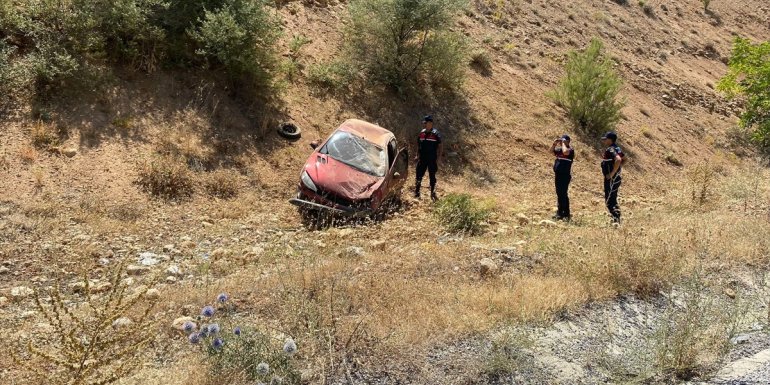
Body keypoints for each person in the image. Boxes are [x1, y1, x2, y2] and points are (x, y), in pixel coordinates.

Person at [415, 115, 443, 201]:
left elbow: (441, 146)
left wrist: (439, 158)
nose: (424, 124)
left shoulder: (436, 134)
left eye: (425, 123)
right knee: (419, 174)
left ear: (430, 123)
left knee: (432, 175)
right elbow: (419, 145)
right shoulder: (422, 133)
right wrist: (417, 155)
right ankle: (417, 192)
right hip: (422, 158)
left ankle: (432, 192)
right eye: (424, 123)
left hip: (432, 159)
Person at [600, 131, 624, 223]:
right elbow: (624, 159)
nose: (604, 141)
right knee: (612, 199)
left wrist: (612, 173)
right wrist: (618, 170)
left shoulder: (611, 149)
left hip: (611, 179)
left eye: (606, 139)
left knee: (609, 200)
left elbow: (618, 159)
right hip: (615, 178)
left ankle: (616, 221)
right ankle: (616, 220)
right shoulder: (617, 148)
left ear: (610, 140)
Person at [551, 134, 574, 220]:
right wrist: (554, 144)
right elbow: (550, 151)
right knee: (560, 193)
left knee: (562, 194)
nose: (561, 142)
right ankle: (563, 213)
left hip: (565, 176)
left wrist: (564, 143)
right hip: (558, 175)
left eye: (563, 141)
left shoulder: (570, 150)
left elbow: (565, 152)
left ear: (567, 141)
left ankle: (563, 213)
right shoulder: (559, 150)